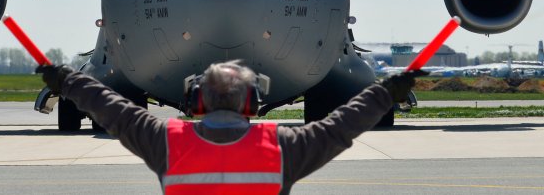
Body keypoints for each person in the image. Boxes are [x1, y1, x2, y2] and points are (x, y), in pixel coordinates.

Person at [38, 60, 426, 195]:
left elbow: (113, 111)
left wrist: (68, 81)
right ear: (252, 102)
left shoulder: (167, 142)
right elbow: (341, 126)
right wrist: (385, 92)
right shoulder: (281, 147)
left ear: (196, 101)